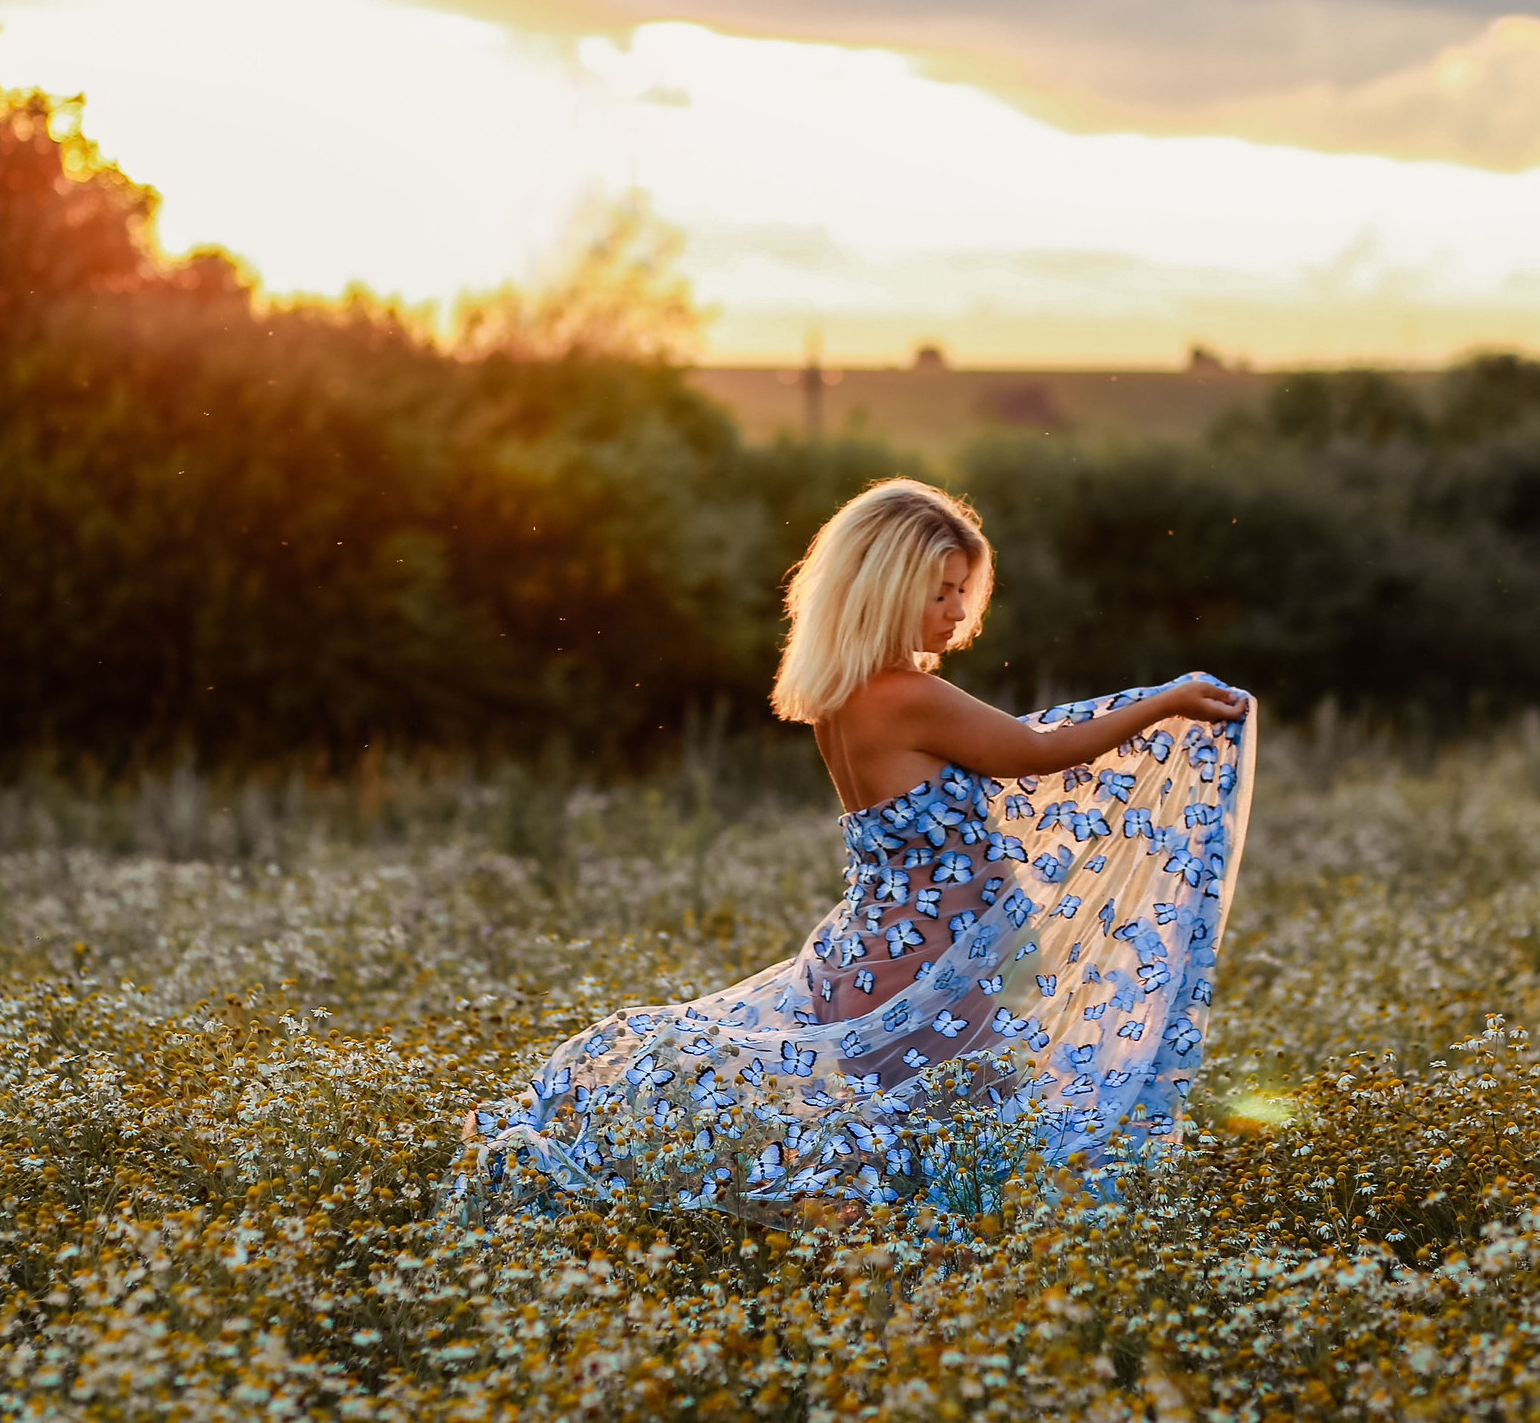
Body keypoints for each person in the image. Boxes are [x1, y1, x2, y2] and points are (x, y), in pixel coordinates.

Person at [460, 477, 1256, 1218]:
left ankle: (876, 1279)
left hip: (875, 955)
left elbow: (1013, 750)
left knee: (920, 1147)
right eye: (937, 592)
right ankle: (899, 1297)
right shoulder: (906, 696)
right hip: (922, 969)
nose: (955, 612)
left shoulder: (847, 697)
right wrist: (1165, 702)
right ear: (883, 588)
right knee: (934, 1161)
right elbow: (1034, 751)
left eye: (960, 592)